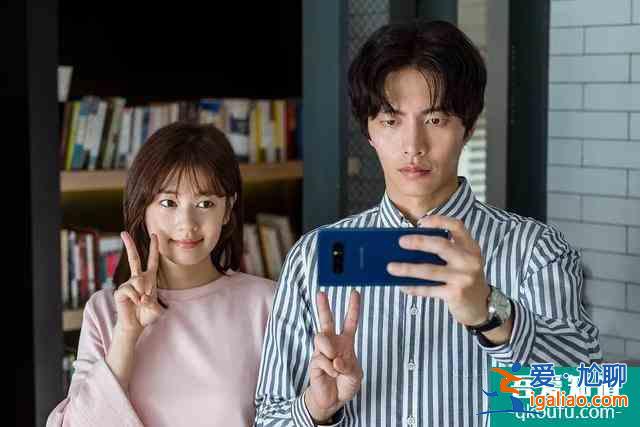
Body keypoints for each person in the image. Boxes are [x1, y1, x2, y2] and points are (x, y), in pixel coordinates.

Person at [254, 20, 601, 426]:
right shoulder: (311, 260)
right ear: (369, 131)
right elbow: (270, 417)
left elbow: (587, 409)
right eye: (391, 121)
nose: (413, 146)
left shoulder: (536, 251)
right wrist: (317, 409)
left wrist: (491, 314)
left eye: (435, 120)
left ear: (468, 127)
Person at [48, 122, 275, 426]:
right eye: (169, 203)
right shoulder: (105, 311)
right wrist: (126, 334)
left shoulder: (268, 303)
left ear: (227, 209)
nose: (187, 223)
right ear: (143, 207)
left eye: (205, 203)